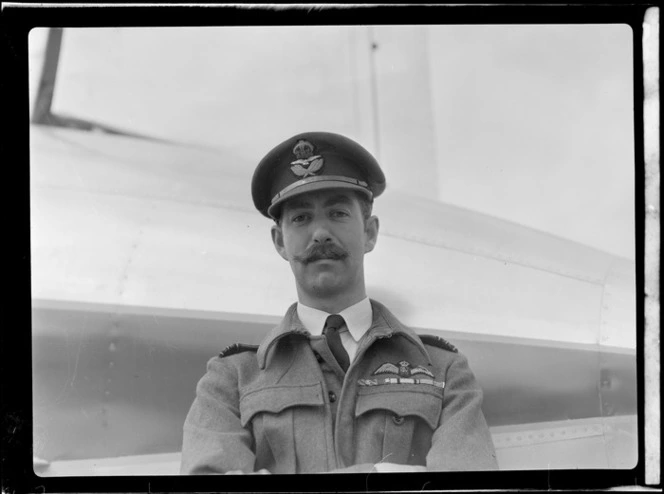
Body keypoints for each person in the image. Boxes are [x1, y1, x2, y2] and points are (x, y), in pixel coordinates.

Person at [180, 132, 497, 474]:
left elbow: (470, 488)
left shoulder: (444, 371)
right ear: (279, 242)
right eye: (300, 218)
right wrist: (383, 476)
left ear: (370, 233)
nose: (320, 233)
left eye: (338, 213)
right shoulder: (232, 380)